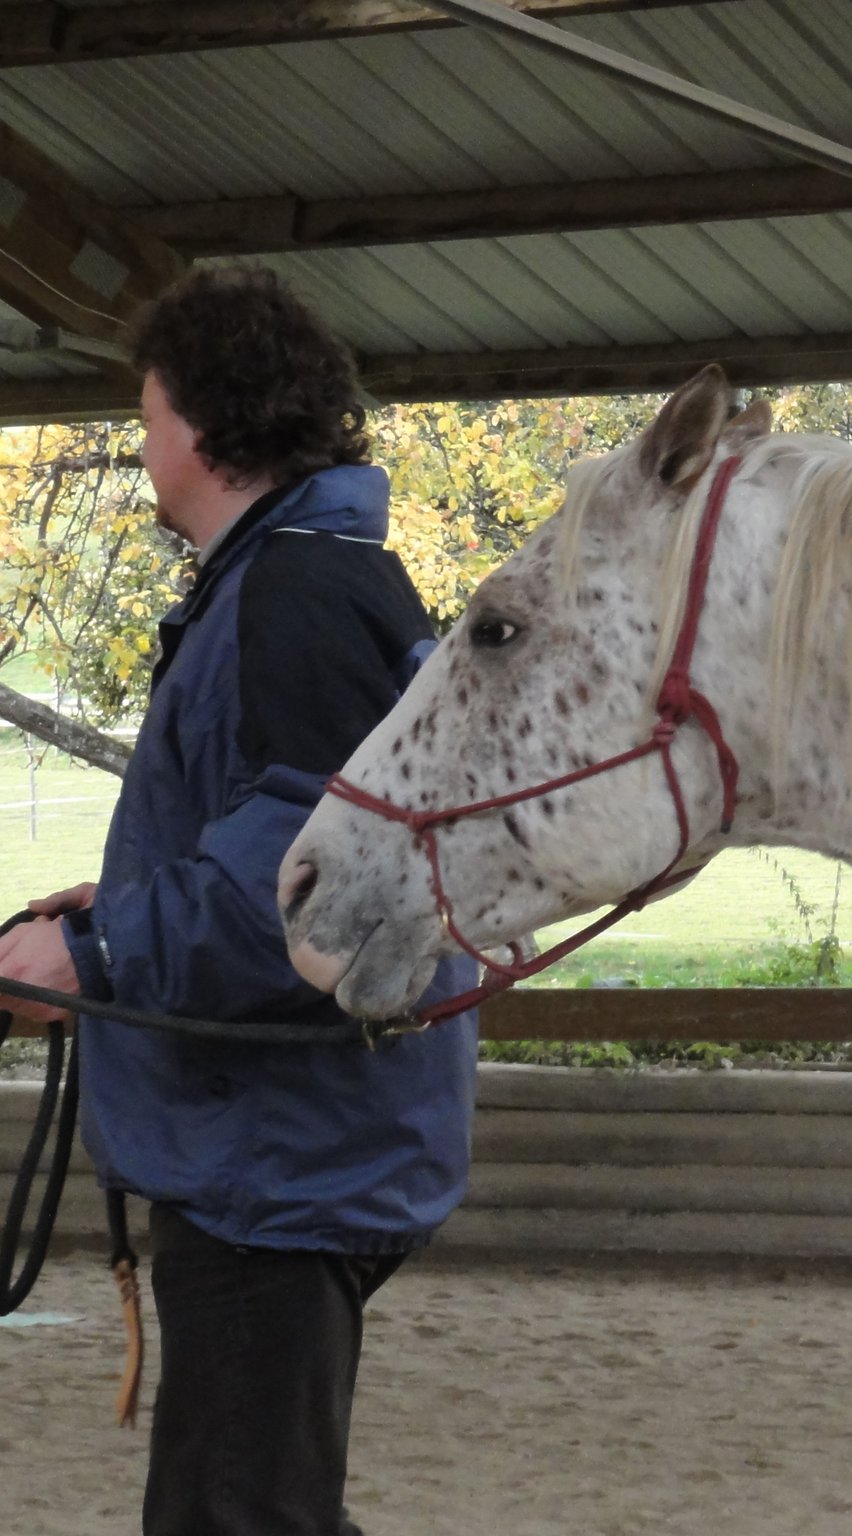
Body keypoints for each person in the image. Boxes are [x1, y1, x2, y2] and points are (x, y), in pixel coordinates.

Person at [0, 266, 479, 1536]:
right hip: (290, 1145)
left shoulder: (293, 594)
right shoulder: (306, 580)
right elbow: (281, 827)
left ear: (204, 427)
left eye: (148, 414)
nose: (140, 444)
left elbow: (317, 875)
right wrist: (117, 903)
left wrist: (101, 952)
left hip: (279, 1157)